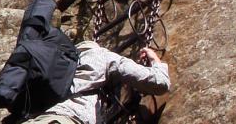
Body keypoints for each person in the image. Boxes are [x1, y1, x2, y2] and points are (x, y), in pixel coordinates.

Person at [20, 43, 170, 124]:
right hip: (67, 119)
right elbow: (159, 83)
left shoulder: (54, 63)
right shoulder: (100, 56)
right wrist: (156, 62)